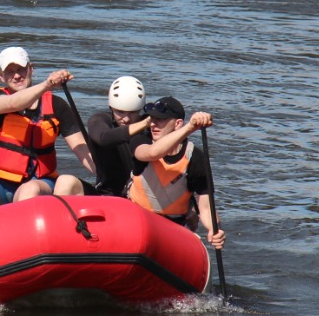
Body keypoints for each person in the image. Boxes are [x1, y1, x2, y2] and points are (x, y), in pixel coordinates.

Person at [0, 45, 96, 208]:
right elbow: (12, 103)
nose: (17, 75)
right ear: (1, 76)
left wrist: (104, 175)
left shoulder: (57, 106)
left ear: (31, 69)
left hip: (39, 182)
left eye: (21, 69)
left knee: (29, 190)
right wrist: (46, 84)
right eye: (10, 71)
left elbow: (82, 149)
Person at [129, 96, 227, 250]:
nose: (153, 124)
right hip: (137, 218)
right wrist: (190, 128)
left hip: (172, 225)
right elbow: (152, 153)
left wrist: (214, 230)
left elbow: (206, 207)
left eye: (160, 120)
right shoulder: (141, 140)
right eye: (152, 119)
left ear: (177, 124)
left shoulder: (196, 157)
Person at [85, 75, 153, 197]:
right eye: (120, 112)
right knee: (66, 181)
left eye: (133, 112)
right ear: (111, 107)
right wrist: (145, 123)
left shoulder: (153, 126)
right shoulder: (99, 120)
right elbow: (103, 138)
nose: (126, 119)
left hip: (142, 197)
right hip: (107, 194)